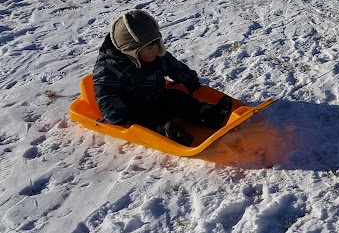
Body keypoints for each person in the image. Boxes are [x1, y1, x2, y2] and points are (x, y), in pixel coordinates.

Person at [92, 10, 233, 146]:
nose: (155, 49)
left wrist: (191, 81)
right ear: (132, 51)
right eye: (149, 47)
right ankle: (168, 132)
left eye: (157, 43)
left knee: (178, 97)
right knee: (146, 119)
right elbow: (107, 96)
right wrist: (121, 121)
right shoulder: (109, 68)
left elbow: (173, 66)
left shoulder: (156, 53)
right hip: (133, 108)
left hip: (157, 96)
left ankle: (209, 114)